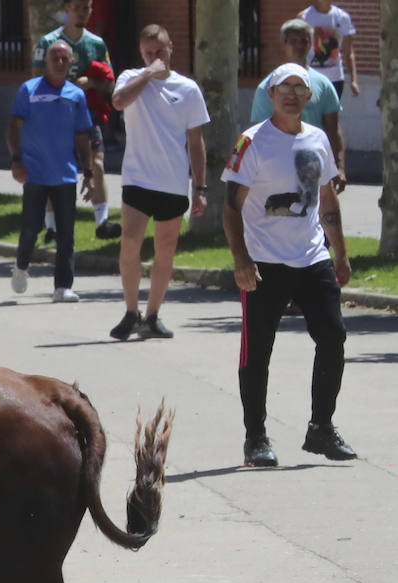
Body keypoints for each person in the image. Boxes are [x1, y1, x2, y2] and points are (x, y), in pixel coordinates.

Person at [222, 63, 356, 468]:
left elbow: (327, 201)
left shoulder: (317, 139)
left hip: (312, 258)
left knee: (333, 337)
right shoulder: (252, 142)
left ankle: (321, 428)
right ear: (270, 93)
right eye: (285, 87)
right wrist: (241, 259)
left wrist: (340, 253)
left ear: (310, 96)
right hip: (264, 262)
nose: (293, 94)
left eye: (301, 88)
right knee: (257, 352)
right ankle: (255, 438)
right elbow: (231, 208)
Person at [107, 24, 209, 341]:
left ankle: (152, 315)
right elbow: (119, 102)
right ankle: (130, 311)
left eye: (160, 51)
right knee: (130, 244)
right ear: (142, 54)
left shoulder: (188, 89)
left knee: (165, 250)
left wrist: (201, 188)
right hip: (138, 179)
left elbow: (196, 142)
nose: (155, 57)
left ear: (171, 48)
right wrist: (148, 73)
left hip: (173, 182)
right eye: (148, 52)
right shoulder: (130, 79)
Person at [7, 39, 93, 303]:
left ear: (71, 63)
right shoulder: (29, 90)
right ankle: (21, 266)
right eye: (54, 57)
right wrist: (17, 160)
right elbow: (13, 126)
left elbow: (82, 135)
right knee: (31, 228)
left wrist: (89, 171)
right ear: (46, 62)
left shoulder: (76, 95)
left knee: (66, 233)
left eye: (64, 58)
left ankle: (62, 287)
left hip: (65, 173)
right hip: (35, 173)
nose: (59, 62)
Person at [33, 0, 120, 240]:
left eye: (87, 8)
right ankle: (52, 227)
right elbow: (36, 82)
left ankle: (102, 223)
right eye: (78, 7)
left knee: (98, 164)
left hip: (87, 115)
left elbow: (110, 84)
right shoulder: (48, 43)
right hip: (56, 116)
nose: (83, 12)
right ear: (67, 9)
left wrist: (92, 83)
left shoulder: (96, 44)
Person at [251, 18, 345, 193]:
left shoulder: (324, 85)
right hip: (277, 170)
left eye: (304, 41)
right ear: (284, 44)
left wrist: (339, 167)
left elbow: (333, 129)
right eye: (293, 41)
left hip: (315, 167)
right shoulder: (266, 88)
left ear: (310, 45)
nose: (299, 46)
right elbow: (258, 134)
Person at [299, 2, 359, 98]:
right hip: (311, 78)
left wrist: (353, 80)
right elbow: (297, 51)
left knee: (332, 112)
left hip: (335, 78)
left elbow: (348, 52)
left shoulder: (342, 17)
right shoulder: (304, 17)